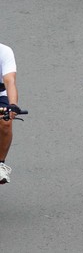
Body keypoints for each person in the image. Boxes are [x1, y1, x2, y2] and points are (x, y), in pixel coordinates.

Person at [0, 43, 20, 184]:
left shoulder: (4, 51)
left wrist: (12, 105)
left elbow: (10, 81)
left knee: (5, 122)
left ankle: (0, 164)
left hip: (0, 94)